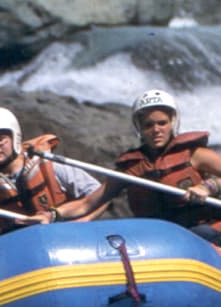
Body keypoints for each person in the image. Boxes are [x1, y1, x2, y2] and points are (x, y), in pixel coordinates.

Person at [35, 89, 221, 245]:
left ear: (172, 123)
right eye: (148, 125)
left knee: (203, 234)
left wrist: (208, 187)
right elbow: (88, 203)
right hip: (162, 239)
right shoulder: (131, 169)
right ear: (139, 128)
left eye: (162, 123)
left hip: (205, 231)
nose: (156, 130)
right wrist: (52, 215)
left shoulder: (195, 154)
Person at [0, 106, 101, 236]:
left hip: (68, 241)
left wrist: (83, 220)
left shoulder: (51, 167)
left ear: (15, 137)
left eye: (0, 139)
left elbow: (100, 195)